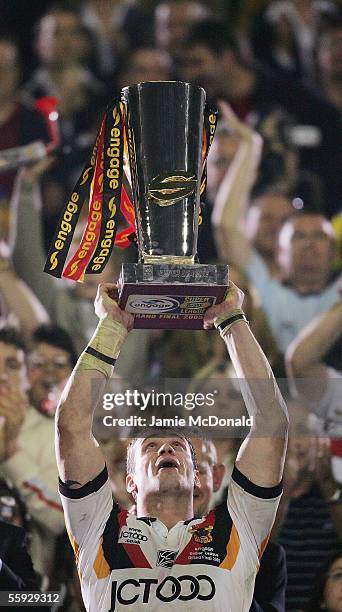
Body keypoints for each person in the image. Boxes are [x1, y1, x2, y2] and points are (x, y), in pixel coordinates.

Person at [55, 280, 288, 611]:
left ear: (197, 478)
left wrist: (232, 319)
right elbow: (71, 426)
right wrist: (112, 327)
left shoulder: (237, 528)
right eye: (150, 446)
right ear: (129, 482)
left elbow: (272, 423)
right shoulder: (98, 530)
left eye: (179, 446)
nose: (166, 450)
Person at [192, 438, 287, 612]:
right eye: (174, 469)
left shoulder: (266, 556)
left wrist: (230, 581)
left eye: (199, 470)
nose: (189, 481)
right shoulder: (131, 545)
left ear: (217, 477)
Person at [0, 327, 65, 574]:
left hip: (24, 593)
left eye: (12, 365)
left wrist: (12, 454)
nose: (2, 376)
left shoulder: (52, 435)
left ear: (29, 376)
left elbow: (60, 519)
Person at [272, 402, 342, 611]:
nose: (295, 442)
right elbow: (253, 553)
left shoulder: (334, 492)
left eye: (303, 431)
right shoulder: (251, 495)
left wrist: (328, 485)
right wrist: (282, 491)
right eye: (285, 432)